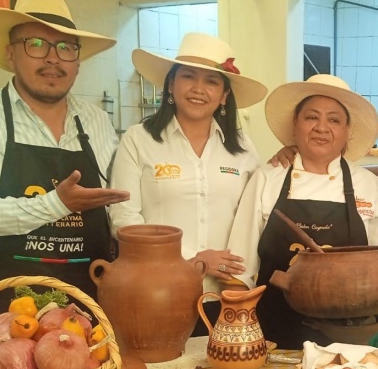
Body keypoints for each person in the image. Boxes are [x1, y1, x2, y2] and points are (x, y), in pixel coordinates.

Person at [0, 0, 130, 340]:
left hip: (85, 306)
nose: (53, 59)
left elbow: (117, 205)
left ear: (77, 61)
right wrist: (56, 204)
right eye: (36, 44)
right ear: (10, 53)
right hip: (8, 313)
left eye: (65, 47)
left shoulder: (96, 121)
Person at [108, 33, 267, 335]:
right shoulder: (139, 140)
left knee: (222, 367)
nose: (198, 89)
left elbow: (257, 213)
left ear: (224, 95)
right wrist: (188, 263)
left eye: (212, 81)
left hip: (227, 297)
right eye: (188, 77)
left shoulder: (243, 147)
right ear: (171, 84)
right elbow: (123, 220)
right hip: (157, 293)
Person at [227, 74, 378, 349]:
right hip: (272, 328)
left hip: (345, 334)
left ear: (347, 131)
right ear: (295, 125)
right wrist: (238, 333)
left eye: (334, 120)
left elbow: (374, 267)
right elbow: (240, 268)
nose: (321, 128)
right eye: (312, 117)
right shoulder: (267, 178)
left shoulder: (368, 184)